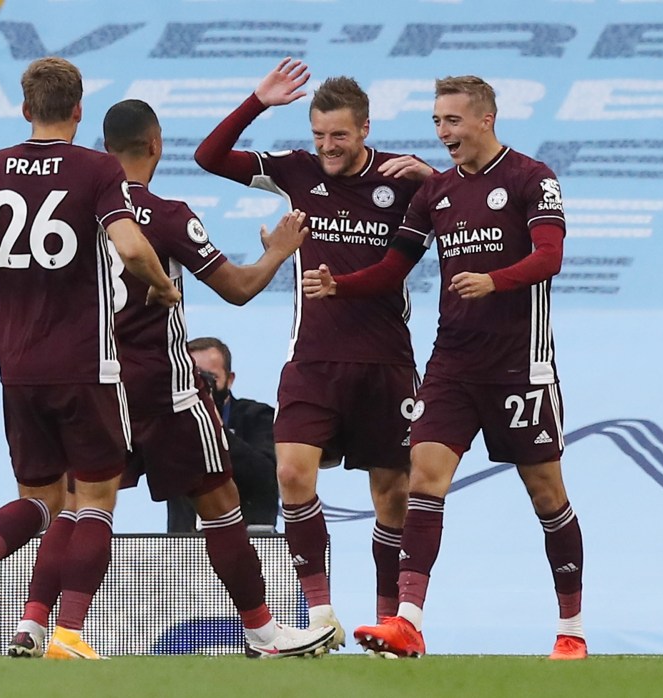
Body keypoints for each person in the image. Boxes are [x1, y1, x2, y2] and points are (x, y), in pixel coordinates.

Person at [7, 98, 336, 660]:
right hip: (167, 391)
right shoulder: (164, 212)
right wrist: (280, 252)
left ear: (102, 148)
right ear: (156, 144)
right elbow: (235, 287)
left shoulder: (74, 212)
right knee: (220, 502)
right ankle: (263, 632)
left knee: (82, 506)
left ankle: (37, 625)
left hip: (94, 384)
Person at [303, 75, 587, 660]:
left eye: (452, 121)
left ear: (486, 119)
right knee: (424, 479)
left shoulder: (533, 178)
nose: (442, 132)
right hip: (451, 363)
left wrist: (494, 280)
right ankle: (408, 621)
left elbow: (550, 256)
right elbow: (392, 268)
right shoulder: (435, 194)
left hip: (519, 367)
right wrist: (341, 286)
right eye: (436, 121)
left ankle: (572, 627)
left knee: (546, 495)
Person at [0, 57, 180, 659]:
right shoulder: (97, 168)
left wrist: (6, 287)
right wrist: (161, 284)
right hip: (85, 364)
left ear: (24, 109)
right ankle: (70, 634)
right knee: (95, 500)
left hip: (16, 367)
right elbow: (130, 246)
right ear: (78, 110)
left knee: (40, 501)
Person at [195, 57, 433, 648]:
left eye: (339, 136)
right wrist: (257, 102)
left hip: (386, 361)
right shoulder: (298, 172)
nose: (327, 146)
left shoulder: (402, 177)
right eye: (319, 134)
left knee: (394, 495)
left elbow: (469, 203)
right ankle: (321, 616)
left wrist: (433, 177)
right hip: (313, 360)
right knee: (292, 472)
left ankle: (388, 622)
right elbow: (209, 158)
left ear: (365, 131)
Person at [166, 337, 279, 533]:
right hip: (184, 547)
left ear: (230, 379)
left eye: (210, 378)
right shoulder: (172, 423)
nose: (201, 388)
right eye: (193, 379)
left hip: (252, 540)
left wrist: (215, 428)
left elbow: (266, 475)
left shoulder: (258, 417)